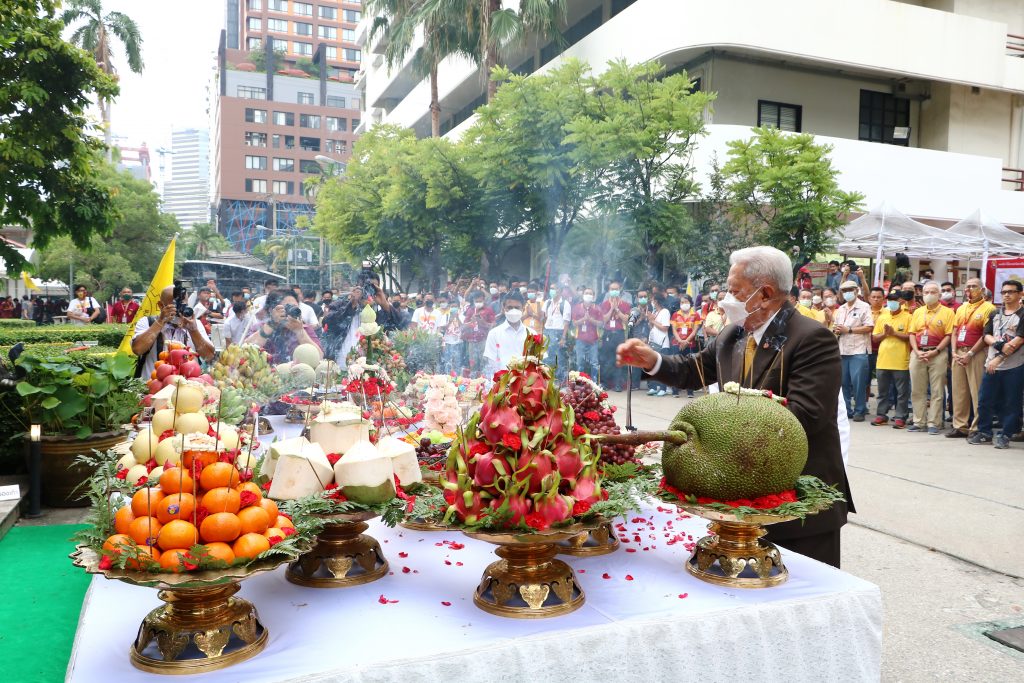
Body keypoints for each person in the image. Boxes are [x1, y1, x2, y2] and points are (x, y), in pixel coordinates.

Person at [616, 245, 853, 568]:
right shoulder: (733, 334)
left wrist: (725, 431)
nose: (726, 300)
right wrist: (653, 360)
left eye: (734, 291)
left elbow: (807, 415)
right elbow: (694, 368)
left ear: (765, 293)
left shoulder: (811, 338)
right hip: (742, 494)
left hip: (794, 500)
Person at [968, 279, 1024, 448]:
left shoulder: (1022, 315)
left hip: (1013, 366)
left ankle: (1006, 434)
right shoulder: (995, 314)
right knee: (985, 399)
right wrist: (998, 345)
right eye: (1004, 292)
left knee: (1011, 402)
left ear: (1020, 294)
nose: (1006, 295)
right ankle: (984, 432)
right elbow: (986, 335)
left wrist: (999, 358)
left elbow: (1019, 340)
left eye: (1011, 292)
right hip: (991, 364)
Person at [131, 285, 215, 379]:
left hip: (186, 389)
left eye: (183, 305)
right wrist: (160, 322)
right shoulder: (148, 322)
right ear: (161, 306)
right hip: (153, 386)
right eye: (174, 306)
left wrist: (193, 331)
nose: (179, 311)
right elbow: (137, 349)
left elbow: (209, 356)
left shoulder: (196, 324)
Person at [948, 278, 995, 438]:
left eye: (974, 286)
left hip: (976, 354)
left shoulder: (989, 308)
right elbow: (954, 331)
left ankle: (976, 428)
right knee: (959, 391)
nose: (969, 289)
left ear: (982, 290)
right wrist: (954, 351)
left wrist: (970, 354)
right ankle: (960, 426)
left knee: (977, 391)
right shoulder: (962, 308)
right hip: (958, 352)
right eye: (967, 286)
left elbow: (985, 335)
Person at [907, 281, 955, 434]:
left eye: (933, 292)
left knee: (937, 390)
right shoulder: (918, 312)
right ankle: (919, 421)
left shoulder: (948, 312)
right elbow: (912, 334)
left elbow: (949, 335)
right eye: (926, 292)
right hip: (918, 353)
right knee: (917, 390)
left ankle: (934, 423)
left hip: (938, 354)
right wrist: (916, 350)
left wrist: (936, 351)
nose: (929, 295)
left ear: (939, 295)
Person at [833, 281, 873, 421]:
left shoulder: (864, 306)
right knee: (842, 383)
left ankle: (860, 410)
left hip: (859, 350)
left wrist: (849, 330)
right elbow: (836, 326)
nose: (847, 293)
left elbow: (869, 327)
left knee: (858, 383)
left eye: (850, 290)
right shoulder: (841, 308)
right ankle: (846, 411)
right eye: (844, 290)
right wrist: (836, 330)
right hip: (842, 349)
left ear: (856, 291)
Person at [872, 291, 913, 428]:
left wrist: (894, 333)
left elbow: (910, 337)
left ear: (901, 301)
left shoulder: (908, 317)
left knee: (902, 392)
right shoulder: (882, 317)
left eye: (895, 299)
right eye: (889, 300)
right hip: (883, 360)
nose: (891, 302)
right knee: (882, 391)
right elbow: (874, 338)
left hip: (901, 360)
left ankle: (900, 416)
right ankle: (881, 415)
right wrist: (885, 333)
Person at [245, 291, 321, 363]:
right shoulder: (260, 327)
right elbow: (245, 351)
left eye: (295, 307)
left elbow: (319, 357)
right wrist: (272, 324)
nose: (291, 311)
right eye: (287, 307)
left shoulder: (305, 329)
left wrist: (300, 332)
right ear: (272, 310)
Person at [483, 292, 531, 375]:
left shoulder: (531, 333)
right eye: (510, 307)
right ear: (504, 309)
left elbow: (536, 360)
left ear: (523, 309)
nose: (513, 310)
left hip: (525, 382)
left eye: (517, 307)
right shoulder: (494, 333)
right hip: (502, 381)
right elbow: (491, 361)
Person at [600, 281, 631, 390]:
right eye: (612, 289)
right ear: (609, 291)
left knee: (619, 360)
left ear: (619, 290)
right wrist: (611, 308)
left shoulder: (625, 304)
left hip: (619, 334)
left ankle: (617, 384)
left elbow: (627, 320)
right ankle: (604, 383)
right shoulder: (604, 304)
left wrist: (617, 309)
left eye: (616, 289)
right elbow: (604, 319)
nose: (614, 291)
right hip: (608, 334)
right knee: (606, 360)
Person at [671, 295, 701, 398]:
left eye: (686, 302)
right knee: (677, 367)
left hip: (690, 344)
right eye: (682, 302)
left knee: (689, 367)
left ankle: (690, 391)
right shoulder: (675, 315)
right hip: (677, 344)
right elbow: (674, 330)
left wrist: (686, 341)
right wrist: (680, 341)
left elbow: (695, 330)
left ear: (690, 303)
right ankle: (675, 390)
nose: (684, 304)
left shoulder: (696, 315)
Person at [645, 294, 673, 397]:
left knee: (661, 367)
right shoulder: (655, 312)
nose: (651, 302)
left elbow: (664, 328)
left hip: (662, 343)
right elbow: (652, 326)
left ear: (656, 301)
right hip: (653, 342)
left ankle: (663, 388)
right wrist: (650, 320)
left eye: (652, 299)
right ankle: (654, 387)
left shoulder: (665, 312)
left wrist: (652, 320)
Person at [543, 285, 572, 381]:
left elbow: (566, 322)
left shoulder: (565, 303)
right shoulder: (547, 302)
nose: (552, 290)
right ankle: (549, 379)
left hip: (559, 333)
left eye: (554, 288)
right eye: (550, 288)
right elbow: (543, 318)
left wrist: (563, 338)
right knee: (548, 357)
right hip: (548, 332)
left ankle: (561, 381)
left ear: (559, 290)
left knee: (560, 358)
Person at [462, 290, 495, 376]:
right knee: (473, 363)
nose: (478, 303)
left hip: (484, 340)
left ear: (484, 299)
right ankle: (473, 382)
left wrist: (482, 322)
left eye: (480, 301)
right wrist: (471, 322)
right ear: (473, 301)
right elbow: (464, 326)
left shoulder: (488, 310)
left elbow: (493, 326)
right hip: (472, 340)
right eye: (476, 301)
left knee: (484, 362)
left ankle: (484, 381)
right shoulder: (470, 310)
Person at [572, 287, 602, 379]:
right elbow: (574, 323)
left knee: (594, 362)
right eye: (586, 293)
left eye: (590, 293)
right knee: (580, 362)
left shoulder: (597, 308)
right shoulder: (577, 307)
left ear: (593, 296)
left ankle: (594, 382)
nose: (588, 295)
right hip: (580, 339)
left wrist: (590, 320)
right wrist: (583, 319)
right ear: (583, 295)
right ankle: (579, 382)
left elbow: (601, 323)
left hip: (593, 340)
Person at [438, 295, 464, 375]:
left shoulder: (462, 316)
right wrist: (450, 321)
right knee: (447, 363)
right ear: (449, 307)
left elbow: (463, 328)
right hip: (448, 343)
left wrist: (457, 317)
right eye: (452, 306)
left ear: (459, 307)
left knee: (458, 363)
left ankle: (458, 379)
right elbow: (441, 329)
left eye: (455, 306)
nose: (454, 308)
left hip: (458, 343)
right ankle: (447, 379)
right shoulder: (445, 316)